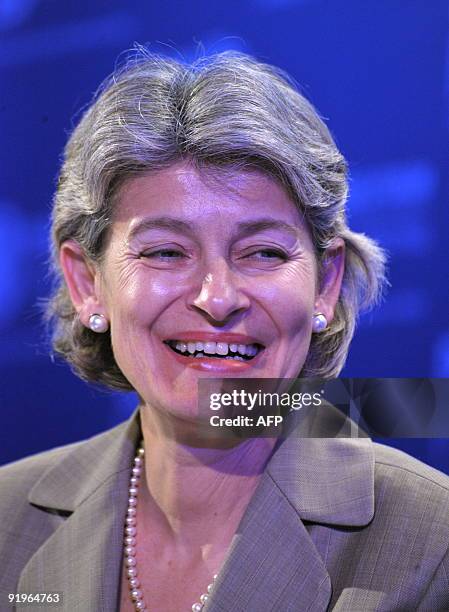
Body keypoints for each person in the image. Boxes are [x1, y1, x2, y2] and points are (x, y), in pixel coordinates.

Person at [0, 50, 448, 612]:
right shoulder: (6, 518)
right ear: (88, 283)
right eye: (166, 252)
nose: (218, 299)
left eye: (262, 252)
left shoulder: (434, 540)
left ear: (325, 284)